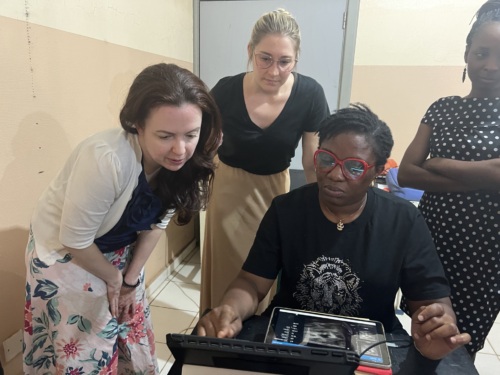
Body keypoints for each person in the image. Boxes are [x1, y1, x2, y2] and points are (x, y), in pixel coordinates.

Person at [197, 104, 471, 361]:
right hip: (287, 338)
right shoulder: (286, 209)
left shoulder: (404, 220)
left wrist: (435, 331)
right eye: (326, 159)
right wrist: (231, 309)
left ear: (376, 171)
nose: (335, 174)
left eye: (354, 167)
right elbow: (251, 283)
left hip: (372, 343)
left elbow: (431, 301)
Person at [23, 63, 222, 374]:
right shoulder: (106, 159)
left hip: (118, 250)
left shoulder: (189, 160)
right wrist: (114, 278)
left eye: (191, 134)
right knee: (86, 342)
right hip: (69, 255)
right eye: (165, 135)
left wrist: (129, 279)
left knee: (130, 320)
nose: (180, 149)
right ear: (137, 125)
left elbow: (158, 224)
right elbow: (75, 239)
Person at [200, 8, 330, 313]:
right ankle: (218, 331)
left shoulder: (310, 94)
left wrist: (318, 208)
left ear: (296, 59)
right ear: (250, 51)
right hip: (228, 189)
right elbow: (203, 146)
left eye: (284, 61)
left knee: (267, 269)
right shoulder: (225, 90)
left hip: (274, 193)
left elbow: (312, 162)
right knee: (226, 270)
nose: (274, 71)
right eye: (265, 58)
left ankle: (258, 342)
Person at [398, 0, 500, 358]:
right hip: (431, 239)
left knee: (460, 343)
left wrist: (441, 163)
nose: (490, 66)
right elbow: (408, 171)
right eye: (482, 53)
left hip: (486, 252)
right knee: (422, 330)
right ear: (467, 53)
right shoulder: (441, 107)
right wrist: (484, 178)